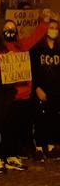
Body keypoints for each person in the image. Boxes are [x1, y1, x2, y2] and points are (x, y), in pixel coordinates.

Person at [0, 12, 52, 174]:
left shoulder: (21, 46)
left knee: (14, 127)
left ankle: (11, 156)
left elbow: (36, 37)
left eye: (13, 29)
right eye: (7, 29)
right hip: (4, 94)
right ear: (2, 32)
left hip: (21, 95)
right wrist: (4, 62)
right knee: (1, 126)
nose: (10, 31)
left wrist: (44, 22)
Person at [30, 19, 60, 161]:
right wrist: (36, 87)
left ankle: (50, 145)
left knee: (53, 117)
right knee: (39, 118)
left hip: (56, 90)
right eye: (51, 27)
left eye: (55, 28)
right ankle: (39, 147)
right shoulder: (37, 49)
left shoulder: (59, 48)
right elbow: (33, 70)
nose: (53, 30)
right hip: (41, 88)